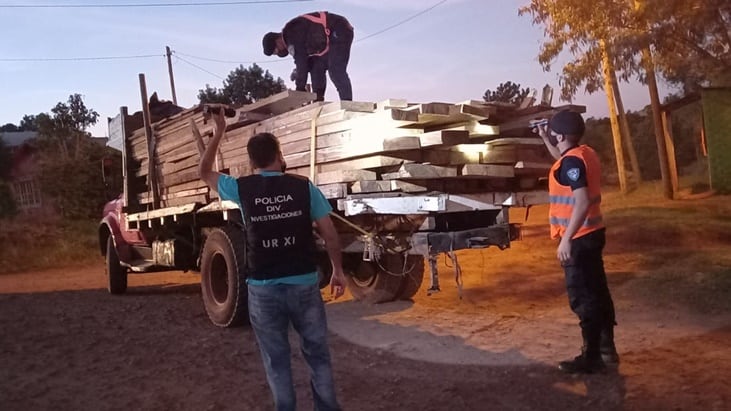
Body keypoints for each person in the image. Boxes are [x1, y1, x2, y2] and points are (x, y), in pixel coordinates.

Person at [199, 109, 348, 410]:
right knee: (318, 354)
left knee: (277, 360)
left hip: (263, 289)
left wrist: (219, 130)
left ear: (252, 163)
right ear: (279, 156)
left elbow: (204, 172)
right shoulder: (303, 187)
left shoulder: (242, 188)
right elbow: (330, 235)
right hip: (304, 283)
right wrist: (338, 272)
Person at [536, 110, 619, 374]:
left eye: (551, 132)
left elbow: (581, 200)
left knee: (584, 298)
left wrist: (566, 240)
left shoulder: (572, 163)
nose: (551, 135)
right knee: (597, 292)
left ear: (560, 134)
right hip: (593, 233)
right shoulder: (584, 154)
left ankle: (591, 357)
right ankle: (606, 351)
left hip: (579, 238)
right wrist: (543, 139)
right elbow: (563, 162)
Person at [262, 11, 354, 102]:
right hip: (328, 40)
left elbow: (301, 62)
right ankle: (318, 100)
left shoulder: (292, 33)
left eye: (276, 51)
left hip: (339, 28)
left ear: (277, 41)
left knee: (335, 69)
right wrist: (298, 72)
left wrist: (299, 89)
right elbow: (306, 63)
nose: (278, 53)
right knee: (316, 67)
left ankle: (348, 103)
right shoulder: (293, 38)